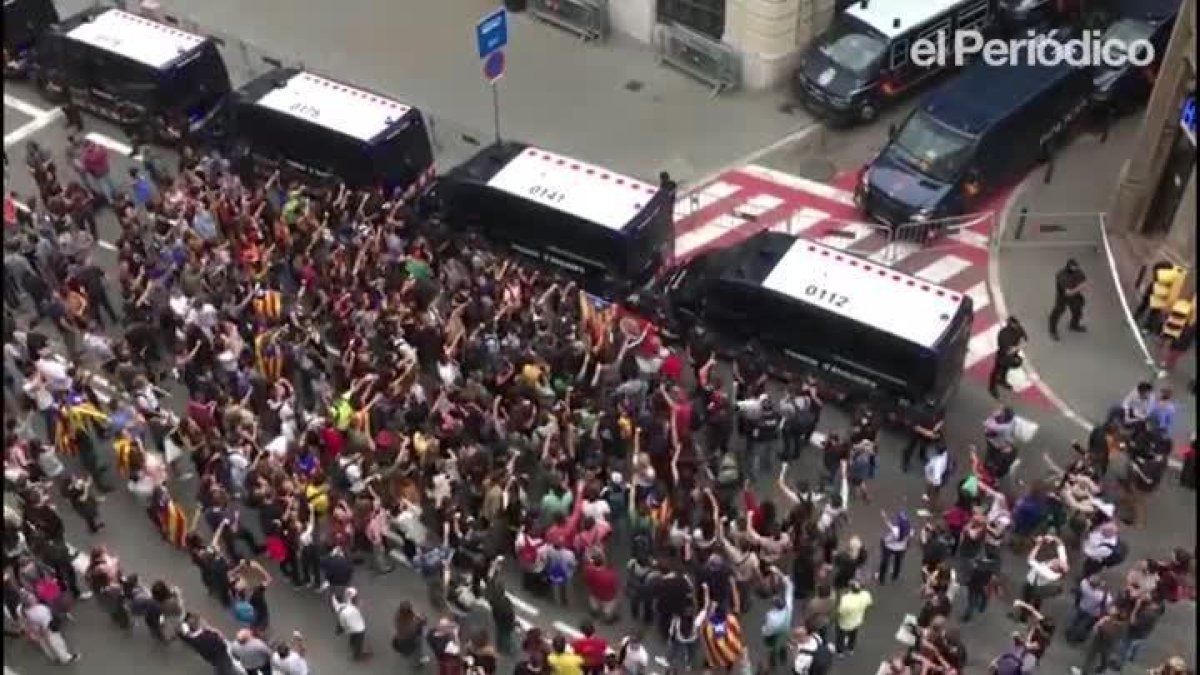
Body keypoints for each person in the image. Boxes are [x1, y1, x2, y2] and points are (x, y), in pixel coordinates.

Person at [1049, 258, 1088, 340]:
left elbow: (1084, 282)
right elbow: (1068, 292)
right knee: (1057, 312)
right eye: (1074, 267)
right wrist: (1079, 288)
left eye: (1076, 267)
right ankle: (1052, 330)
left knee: (1077, 310)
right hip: (1063, 297)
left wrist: (1079, 287)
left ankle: (1074, 325)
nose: (1076, 269)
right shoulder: (1061, 275)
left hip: (1075, 296)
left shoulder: (1078, 272)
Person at [990, 316, 1027, 397]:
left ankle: (1002, 380)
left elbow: (1025, 338)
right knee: (996, 370)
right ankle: (992, 387)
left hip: (1012, 354)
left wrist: (1018, 346)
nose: (1017, 326)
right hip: (1002, 356)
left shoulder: (1018, 329)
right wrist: (1018, 347)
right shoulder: (1004, 334)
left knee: (1006, 368)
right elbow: (1007, 350)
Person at [833, 578, 872, 656]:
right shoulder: (865, 595)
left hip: (844, 623)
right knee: (853, 635)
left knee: (841, 637)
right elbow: (869, 603)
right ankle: (850, 648)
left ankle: (839, 651)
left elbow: (840, 612)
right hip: (857, 620)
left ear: (850, 588)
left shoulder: (845, 599)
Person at [332, 586, 370, 660]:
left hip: (350, 628)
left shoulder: (342, 607)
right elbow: (356, 613)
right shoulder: (351, 608)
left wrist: (343, 629)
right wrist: (360, 607)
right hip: (359, 628)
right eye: (356, 597)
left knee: (353, 635)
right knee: (359, 641)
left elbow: (341, 620)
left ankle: (352, 643)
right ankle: (357, 655)